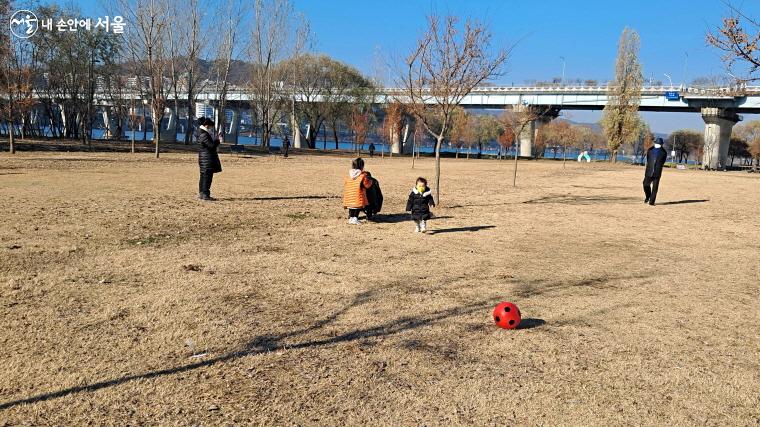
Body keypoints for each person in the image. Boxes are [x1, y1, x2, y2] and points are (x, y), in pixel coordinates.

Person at [197, 117, 222, 201]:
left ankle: (202, 193)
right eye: (211, 126)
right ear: (207, 125)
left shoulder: (202, 133)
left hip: (205, 158)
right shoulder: (204, 134)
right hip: (206, 159)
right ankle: (205, 194)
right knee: (207, 177)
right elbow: (211, 146)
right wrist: (217, 141)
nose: (211, 128)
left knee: (204, 176)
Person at [342, 157, 373, 225]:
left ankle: (351, 218)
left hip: (349, 196)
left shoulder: (349, 175)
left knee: (352, 206)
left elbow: (346, 184)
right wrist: (370, 181)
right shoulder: (363, 175)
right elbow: (367, 185)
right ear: (362, 166)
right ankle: (355, 218)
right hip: (358, 196)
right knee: (357, 207)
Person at [643, 137, 668, 206]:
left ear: (661, 144)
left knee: (655, 188)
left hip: (657, 172)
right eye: (657, 143)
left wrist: (658, 167)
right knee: (645, 184)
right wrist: (650, 166)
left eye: (659, 144)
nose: (657, 144)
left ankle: (652, 202)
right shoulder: (650, 150)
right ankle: (648, 196)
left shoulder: (664, 152)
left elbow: (663, 162)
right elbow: (648, 159)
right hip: (649, 171)